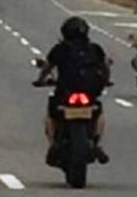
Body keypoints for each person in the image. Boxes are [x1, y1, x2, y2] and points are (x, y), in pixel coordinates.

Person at [34, 16, 111, 166]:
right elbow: (105, 68)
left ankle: (53, 144)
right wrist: (105, 81)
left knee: (51, 114)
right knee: (99, 112)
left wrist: (40, 80)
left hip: (66, 92)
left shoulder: (60, 49)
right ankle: (96, 142)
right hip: (89, 93)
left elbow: (47, 68)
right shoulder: (95, 49)